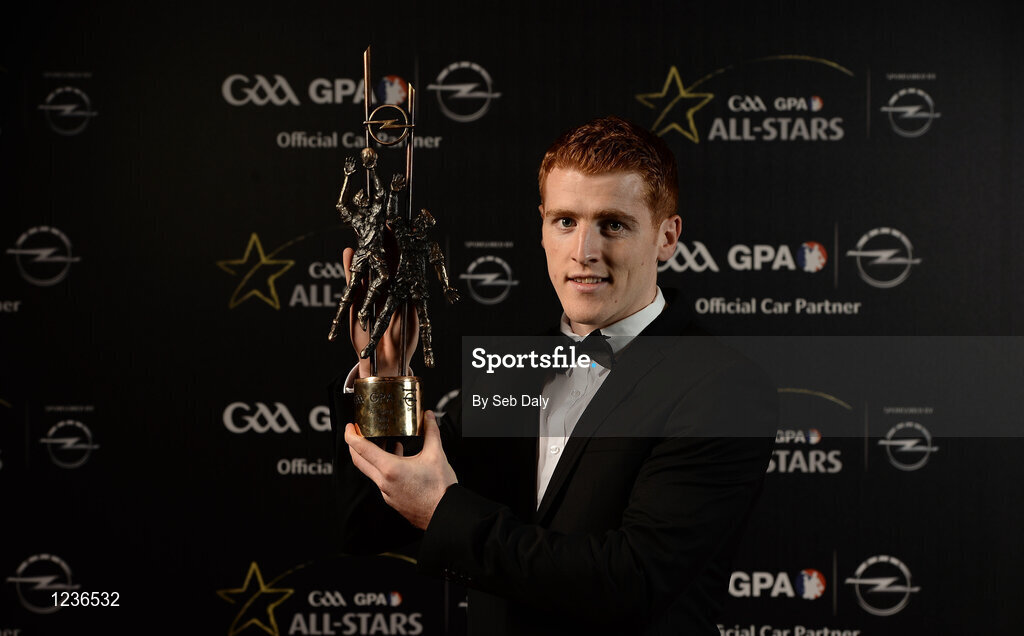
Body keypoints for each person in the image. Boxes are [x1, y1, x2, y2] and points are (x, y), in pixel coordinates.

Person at [329, 116, 777, 635]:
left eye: (613, 223)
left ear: (667, 236)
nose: (583, 251)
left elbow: (631, 581)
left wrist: (443, 511)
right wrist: (385, 376)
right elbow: (366, 523)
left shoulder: (722, 386)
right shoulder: (513, 369)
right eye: (565, 221)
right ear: (541, 226)